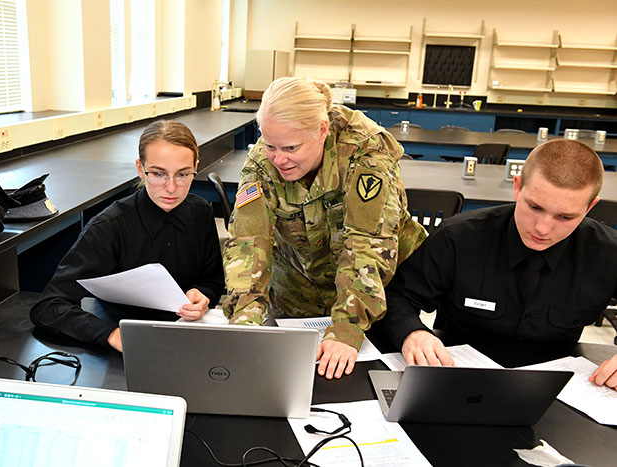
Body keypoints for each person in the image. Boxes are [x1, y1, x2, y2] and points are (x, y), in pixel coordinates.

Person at [222, 77, 427, 380]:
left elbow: (367, 244)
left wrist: (347, 326)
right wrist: (244, 323)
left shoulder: (366, 152)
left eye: (291, 147)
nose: (279, 159)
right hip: (298, 293)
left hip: (372, 297)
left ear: (322, 130)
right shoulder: (260, 166)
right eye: (270, 145)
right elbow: (248, 245)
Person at [378, 139, 617, 390]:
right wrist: (412, 333)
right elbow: (398, 296)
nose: (542, 228)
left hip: (562, 391)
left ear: (590, 207)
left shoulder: (608, 253)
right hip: (457, 381)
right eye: (534, 207)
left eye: (565, 217)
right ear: (517, 187)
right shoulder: (459, 238)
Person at [30, 120, 224, 351]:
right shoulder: (109, 227)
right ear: (140, 168)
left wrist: (203, 295)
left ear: (195, 167)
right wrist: (110, 334)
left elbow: (212, 279)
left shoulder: (201, 213)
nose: (171, 188)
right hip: (126, 346)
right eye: (158, 174)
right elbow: (48, 307)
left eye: (183, 175)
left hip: (187, 340)